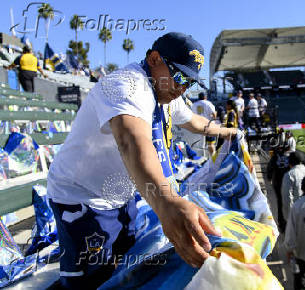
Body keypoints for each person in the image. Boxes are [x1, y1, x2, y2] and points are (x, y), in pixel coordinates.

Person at [46, 32, 236, 289]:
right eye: (179, 76)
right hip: (82, 198)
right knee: (90, 281)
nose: (182, 88)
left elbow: (195, 122)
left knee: (123, 267)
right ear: (154, 58)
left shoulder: (168, 93)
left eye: (189, 82)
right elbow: (131, 140)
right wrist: (167, 201)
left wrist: (227, 132)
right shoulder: (126, 84)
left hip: (121, 195)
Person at [280, 151, 305, 231]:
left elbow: (287, 197)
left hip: (296, 214)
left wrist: (288, 217)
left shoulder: (289, 175)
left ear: (290, 162)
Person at [266, 146, 290, 232]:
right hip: (287, 183)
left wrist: (269, 178)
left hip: (278, 183)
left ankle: (282, 223)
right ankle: (289, 223)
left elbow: (269, 168)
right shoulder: (288, 158)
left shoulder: (274, 158)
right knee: (288, 202)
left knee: (280, 203)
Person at [191, 92, 217, 156]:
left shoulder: (194, 104)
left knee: (200, 143)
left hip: (198, 125)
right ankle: (213, 158)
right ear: (205, 97)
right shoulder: (208, 103)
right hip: (208, 125)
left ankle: (202, 158)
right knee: (210, 143)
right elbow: (214, 114)